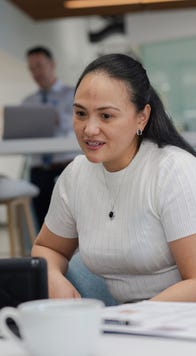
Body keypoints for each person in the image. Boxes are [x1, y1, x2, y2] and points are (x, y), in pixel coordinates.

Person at [32, 53, 196, 304]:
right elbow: (49, 247)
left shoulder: (174, 170)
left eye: (106, 116)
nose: (89, 129)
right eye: (80, 114)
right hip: (124, 322)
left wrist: (134, 318)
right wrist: (53, 275)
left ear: (142, 117)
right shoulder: (77, 174)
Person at [23, 46, 76, 228]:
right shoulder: (28, 102)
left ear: (52, 65)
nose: (36, 72)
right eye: (31, 68)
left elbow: (83, 122)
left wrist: (58, 118)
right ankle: (46, 257)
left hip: (67, 166)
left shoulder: (73, 94)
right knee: (44, 224)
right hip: (39, 170)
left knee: (72, 222)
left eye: (39, 66)